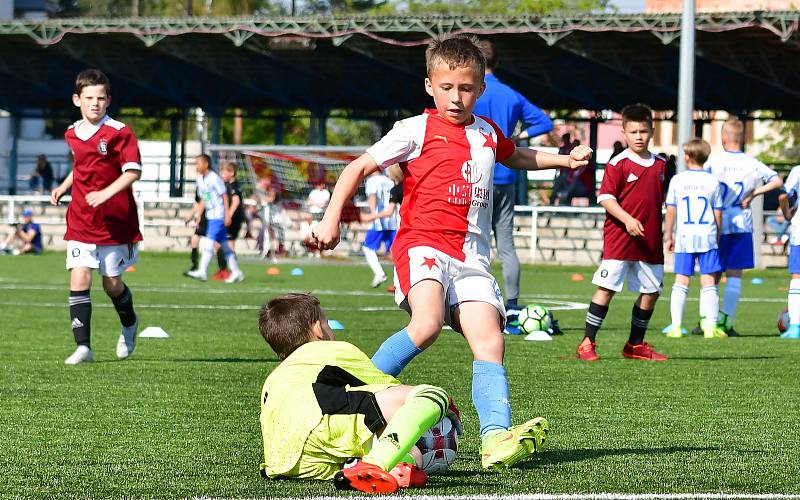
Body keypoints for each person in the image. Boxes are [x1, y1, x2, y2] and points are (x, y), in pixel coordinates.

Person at [313, 35, 592, 469]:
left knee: (490, 341)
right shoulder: (414, 129)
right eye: (447, 88)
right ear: (430, 86)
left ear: (480, 89)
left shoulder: (486, 133)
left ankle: (495, 438)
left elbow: (516, 155)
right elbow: (358, 166)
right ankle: (352, 394)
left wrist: (563, 159)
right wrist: (331, 218)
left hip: (472, 257)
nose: (456, 97)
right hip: (423, 244)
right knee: (425, 325)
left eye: (465, 88)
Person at [258, 293, 458, 493]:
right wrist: (442, 407)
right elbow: (391, 391)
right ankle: (376, 463)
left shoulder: (274, 378)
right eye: (327, 323)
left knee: (411, 452)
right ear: (318, 328)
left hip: (288, 463)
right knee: (430, 394)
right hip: (322, 428)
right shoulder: (332, 350)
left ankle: (395, 467)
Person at [50, 69, 141, 365]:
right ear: (77, 99)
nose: (95, 103)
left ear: (108, 100)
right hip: (81, 219)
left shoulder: (119, 132)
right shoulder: (72, 133)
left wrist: (105, 194)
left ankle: (128, 324)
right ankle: (83, 347)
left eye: (101, 98)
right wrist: (64, 186)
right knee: (79, 275)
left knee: (111, 284)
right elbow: (82, 166)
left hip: (115, 222)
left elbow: (133, 171)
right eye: (89, 98)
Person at [577, 103, 668, 362]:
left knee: (652, 291)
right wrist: (627, 219)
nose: (639, 136)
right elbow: (605, 197)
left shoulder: (661, 165)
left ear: (652, 131)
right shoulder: (618, 163)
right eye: (633, 132)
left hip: (649, 241)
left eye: (643, 131)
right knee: (606, 288)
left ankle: (635, 345)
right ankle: (587, 341)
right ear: (624, 133)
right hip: (620, 239)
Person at [473, 39, 553, 324]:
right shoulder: (511, 95)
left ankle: (463, 302)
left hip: (472, 174)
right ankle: (514, 305)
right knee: (505, 243)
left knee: (467, 240)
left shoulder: (470, 93)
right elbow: (545, 123)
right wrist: (517, 139)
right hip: (506, 173)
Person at [705, 118, 783, 336]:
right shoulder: (752, 163)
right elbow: (777, 181)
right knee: (735, 274)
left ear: (723, 138)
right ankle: (727, 323)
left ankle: (709, 322)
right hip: (741, 223)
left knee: (712, 272)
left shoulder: (714, 161)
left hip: (717, 223)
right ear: (742, 138)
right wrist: (754, 193)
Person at [662, 139, 726, 339]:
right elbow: (718, 214)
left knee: (681, 281)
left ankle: (676, 326)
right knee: (709, 282)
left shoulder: (677, 180)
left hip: (685, 237)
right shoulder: (712, 181)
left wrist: (668, 234)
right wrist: (716, 235)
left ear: (687, 157)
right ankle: (711, 326)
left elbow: (671, 211)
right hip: (707, 236)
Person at [184, 154, 245, 283]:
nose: (196, 166)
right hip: (210, 216)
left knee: (208, 242)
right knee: (225, 246)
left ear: (206, 164)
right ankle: (236, 272)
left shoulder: (213, 178)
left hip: (218, 215)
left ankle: (202, 271)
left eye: (198, 163)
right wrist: (199, 214)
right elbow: (205, 198)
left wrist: (227, 214)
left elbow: (224, 195)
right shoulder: (201, 179)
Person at [209, 161, 246, 281]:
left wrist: (228, 216)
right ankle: (226, 271)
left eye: (224, 171)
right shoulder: (226, 185)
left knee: (227, 245)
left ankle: (232, 272)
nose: (221, 174)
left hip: (233, 220)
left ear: (232, 173)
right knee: (218, 244)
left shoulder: (234, 186)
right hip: (228, 219)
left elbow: (236, 202)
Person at [361, 170, 399, 288]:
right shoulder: (389, 180)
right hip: (393, 220)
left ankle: (379, 273)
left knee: (367, 248)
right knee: (396, 252)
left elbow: (372, 196)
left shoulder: (372, 181)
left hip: (379, 221)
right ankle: (398, 281)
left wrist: (372, 214)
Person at [778, 166, 800, 339]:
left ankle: (795, 327)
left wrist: (787, 213)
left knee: (797, 278)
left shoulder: (798, 171)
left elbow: (784, 195)